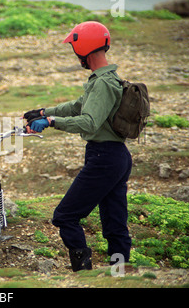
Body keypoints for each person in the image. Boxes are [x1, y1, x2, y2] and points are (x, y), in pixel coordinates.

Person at [24, 21, 132, 272]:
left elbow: (89, 122)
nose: (75, 54)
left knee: (65, 215)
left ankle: (83, 271)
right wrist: (43, 111)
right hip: (115, 157)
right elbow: (76, 106)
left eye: (75, 47)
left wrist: (51, 121)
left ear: (84, 48)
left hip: (104, 158)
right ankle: (121, 271)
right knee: (114, 220)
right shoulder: (104, 79)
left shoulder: (104, 83)